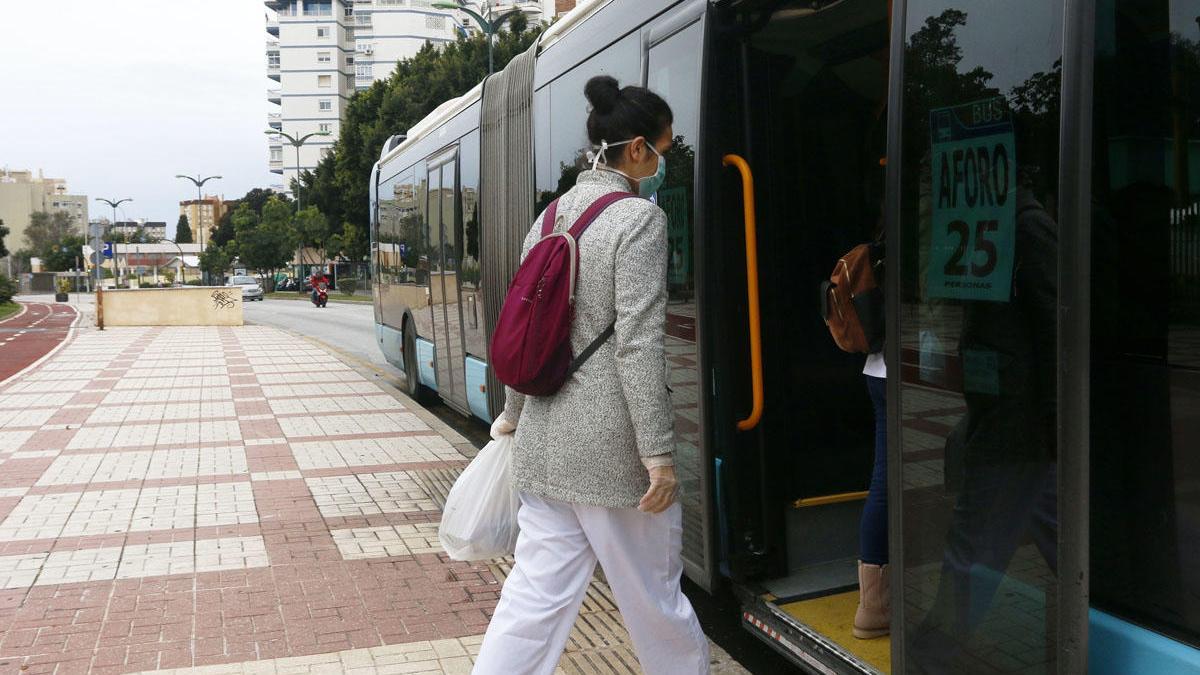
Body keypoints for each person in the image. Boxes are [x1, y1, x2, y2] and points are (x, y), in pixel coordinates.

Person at [473, 75, 710, 675]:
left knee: (532, 602)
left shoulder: (549, 216)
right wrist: (658, 456)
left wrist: (512, 416)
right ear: (635, 150)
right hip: (612, 461)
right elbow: (637, 344)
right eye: (663, 147)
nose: (664, 159)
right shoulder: (638, 220)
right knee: (656, 602)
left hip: (542, 452)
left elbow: (527, 328)